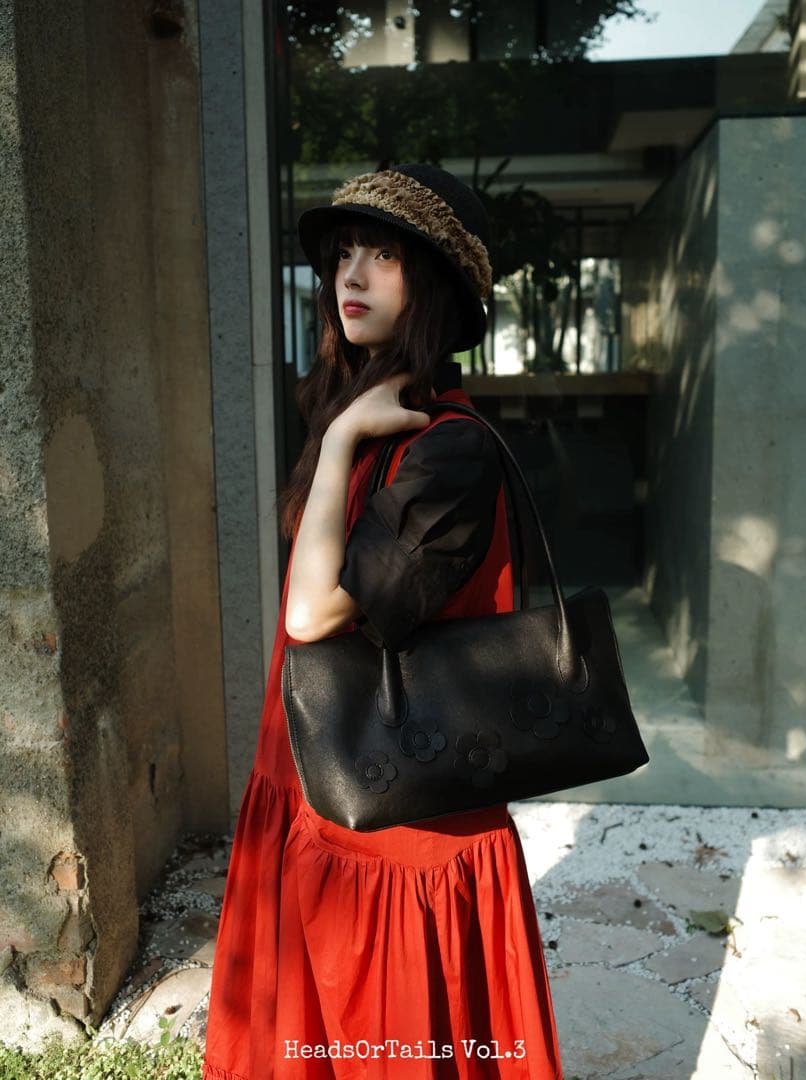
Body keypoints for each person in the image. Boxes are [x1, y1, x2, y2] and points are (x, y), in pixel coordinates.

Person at [202, 164, 564, 1080]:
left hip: (401, 820)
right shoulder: (372, 420)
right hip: (325, 781)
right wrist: (344, 434)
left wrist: (335, 444)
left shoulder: (446, 450)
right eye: (344, 255)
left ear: (433, 284)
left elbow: (311, 612)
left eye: (385, 257)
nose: (351, 276)